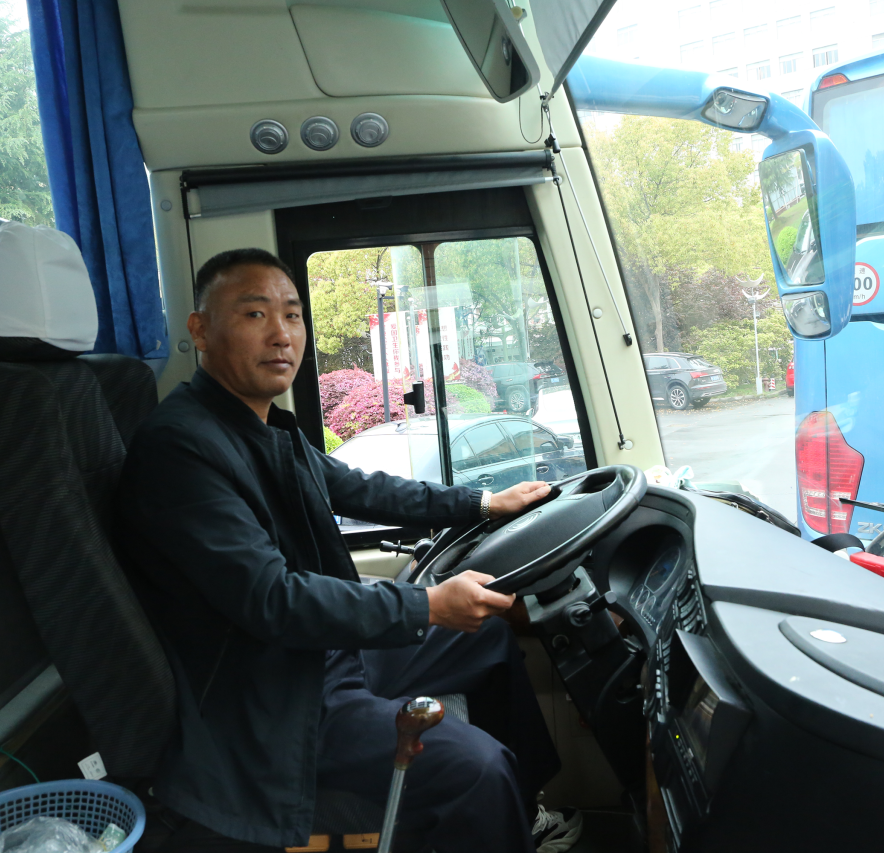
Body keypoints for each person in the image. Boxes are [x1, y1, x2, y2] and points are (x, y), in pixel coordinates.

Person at [116, 248, 581, 853]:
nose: (281, 334)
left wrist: (482, 504)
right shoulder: (180, 448)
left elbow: (361, 489)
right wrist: (427, 605)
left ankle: (522, 811)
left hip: (318, 655)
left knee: (486, 637)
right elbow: (272, 599)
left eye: (292, 314)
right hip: (274, 697)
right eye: (255, 314)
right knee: (478, 767)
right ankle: (496, 803)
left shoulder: (259, 427)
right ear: (200, 330)